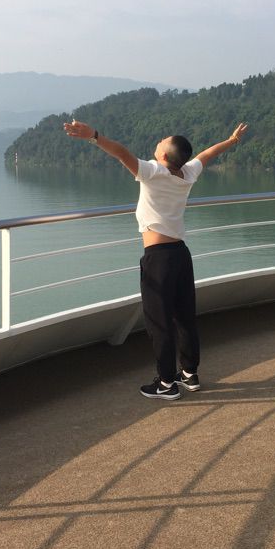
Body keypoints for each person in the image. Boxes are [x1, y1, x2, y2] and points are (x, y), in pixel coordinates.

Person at [63, 119, 249, 400]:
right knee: (184, 317)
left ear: (163, 155)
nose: (160, 139)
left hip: (159, 259)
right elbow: (207, 154)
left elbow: (122, 153)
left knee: (159, 322)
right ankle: (189, 373)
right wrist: (232, 140)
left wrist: (94, 136)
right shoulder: (187, 173)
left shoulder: (153, 172)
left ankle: (166, 383)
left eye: (164, 140)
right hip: (181, 255)